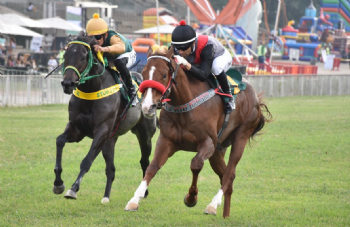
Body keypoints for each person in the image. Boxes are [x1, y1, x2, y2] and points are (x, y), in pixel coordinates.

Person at [171, 20, 235, 113]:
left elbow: (203, 75)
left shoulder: (207, 46)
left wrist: (185, 63)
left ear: (193, 43)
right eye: (178, 48)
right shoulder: (175, 48)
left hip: (219, 57)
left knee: (215, 67)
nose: (180, 52)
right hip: (199, 60)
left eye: (184, 48)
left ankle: (229, 98)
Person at [85, 13, 137, 106]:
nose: (95, 40)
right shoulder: (93, 41)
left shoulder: (112, 36)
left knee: (119, 62)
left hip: (126, 54)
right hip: (110, 57)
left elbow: (121, 47)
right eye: (92, 37)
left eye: (98, 37)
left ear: (106, 35)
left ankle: (132, 91)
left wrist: (103, 49)